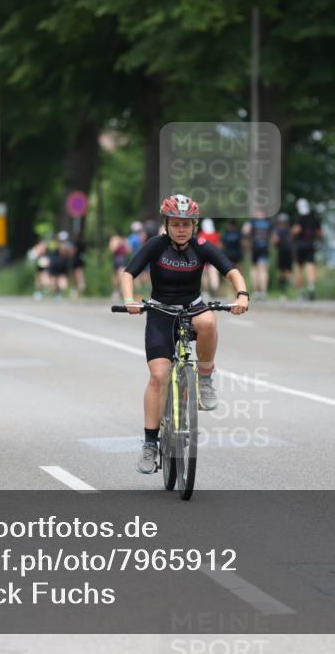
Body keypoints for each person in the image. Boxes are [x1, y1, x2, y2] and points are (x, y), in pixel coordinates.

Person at [119, 195, 249, 474]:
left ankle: (205, 378)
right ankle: (150, 443)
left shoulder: (201, 246)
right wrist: (129, 299)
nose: (181, 229)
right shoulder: (156, 245)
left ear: (194, 225)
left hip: (192, 307)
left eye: (186, 224)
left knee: (209, 321)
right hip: (160, 312)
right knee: (158, 377)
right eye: (176, 224)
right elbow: (128, 274)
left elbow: (232, 271)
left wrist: (242, 294)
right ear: (167, 224)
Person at [291, 199, 322, 300]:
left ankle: (300, 291)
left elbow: (297, 229)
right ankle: (311, 286)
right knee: (311, 265)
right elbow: (319, 232)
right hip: (311, 244)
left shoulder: (299, 217)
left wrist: (291, 235)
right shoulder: (313, 217)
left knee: (299, 268)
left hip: (300, 245)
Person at [243, 208, 273, 299]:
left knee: (254, 270)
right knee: (263, 270)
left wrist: (246, 240)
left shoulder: (252, 222)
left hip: (255, 249)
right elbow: (273, 236)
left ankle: (256, 291)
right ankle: (263, 292)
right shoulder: (268, 223)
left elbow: (245, 231)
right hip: (264, 248)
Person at [197, 218, 222, 298]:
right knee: (214, 274)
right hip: (214, 257)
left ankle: (206, 292)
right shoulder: (216, 234)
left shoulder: (201, 235)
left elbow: (199, 247)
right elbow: (219, 246)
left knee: (205, 275)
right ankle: (215, 291)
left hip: (204, 257)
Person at [272, 213, 294, 296]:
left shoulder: (278, 230)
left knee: (281, 272)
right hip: (289, 252)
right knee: (289, 272)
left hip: (282, 252)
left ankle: (283, 290)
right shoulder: (289, 230)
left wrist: (275, 244)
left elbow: (275, 241)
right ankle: (291, 289)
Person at [108, 229, 130, 300]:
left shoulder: (125, 240)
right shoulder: (114, 239)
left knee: (121, 277)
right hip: (116, 259)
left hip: (122, 259)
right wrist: (118, 243)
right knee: (115, 278)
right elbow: (112, 249)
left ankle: (123, 293)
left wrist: (124, 243)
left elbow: (129, 250)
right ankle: (116, 292)